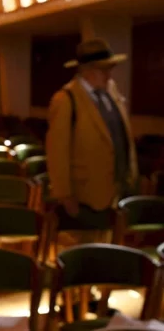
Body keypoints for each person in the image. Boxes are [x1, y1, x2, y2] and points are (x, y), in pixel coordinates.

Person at [46, 37, 138, 242]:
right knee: (87, 253)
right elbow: (57, 152)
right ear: (87, 71)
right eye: (104, 70)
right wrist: (65, 196)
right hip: (85, 197)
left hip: (116, 191)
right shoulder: (66, 99)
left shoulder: (111, 92)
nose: (109, 75)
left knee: (109, 251)